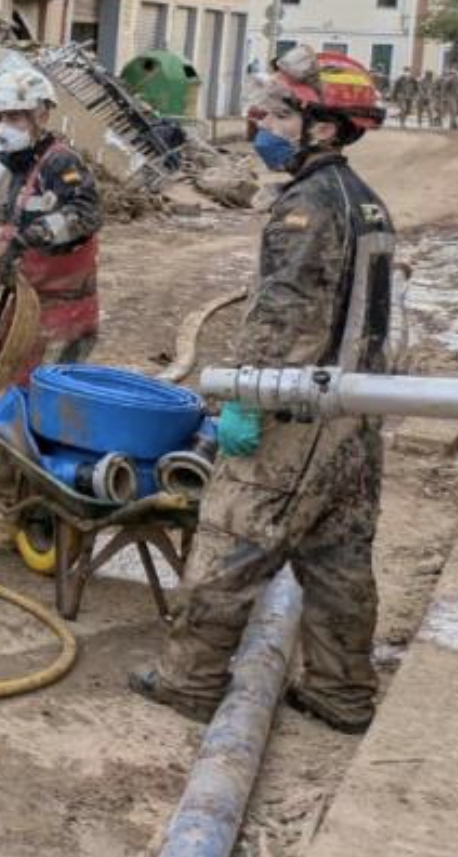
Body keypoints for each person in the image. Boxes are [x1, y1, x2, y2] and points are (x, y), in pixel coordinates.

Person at [130, 47, 392, 734]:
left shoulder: (308, 207)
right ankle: (342, 693)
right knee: (336, 559)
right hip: (354, 415)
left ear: (326, 128)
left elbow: (286, 321)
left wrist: (244, 399)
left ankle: (188, 682)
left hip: (297, 411)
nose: (261, 124)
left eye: (279, 112)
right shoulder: (364, 202)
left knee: (231, 536)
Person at [0, 67, 102, 383]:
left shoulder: (61, 162)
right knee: (5, 378)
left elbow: (87, 213)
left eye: (14, 117)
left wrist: (34, 236)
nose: (4, 128)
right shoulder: (22, 167)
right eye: (0, 119)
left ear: (40, 116)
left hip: (63, 306)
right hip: (29, 300)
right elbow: (19, 219)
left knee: (50, 388)